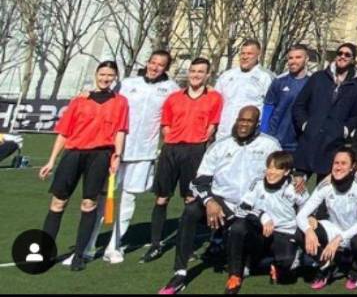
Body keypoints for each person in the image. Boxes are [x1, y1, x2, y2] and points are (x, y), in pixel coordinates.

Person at [158, 105, 282, 295]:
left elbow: (280, 174)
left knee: (239, 229)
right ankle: (180, 273)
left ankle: (235, 275)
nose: (243, 125)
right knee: (190, 211)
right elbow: (199, 180)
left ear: (257, 124)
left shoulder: (270, 145)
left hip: (252, 207)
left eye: (249, 121)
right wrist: (210, 201)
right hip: (220, 201)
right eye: (241, 120)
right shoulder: (220, 145)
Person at [39, 61, 130, 271]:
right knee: (57, 203)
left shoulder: (120, 102)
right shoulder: (79, 100)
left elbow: (120, 131)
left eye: (110, 75)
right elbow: (64, 132)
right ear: (96, 75)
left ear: (115, 78)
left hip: (100, 156)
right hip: (73, 154)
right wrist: (52, 160)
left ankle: (79, 255)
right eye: (102, 74)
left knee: (89, 204)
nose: (105, 78)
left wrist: (117, 155)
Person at [87, 50, 176, 264]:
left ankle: (114, 245)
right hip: (116, 150)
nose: (155, 67)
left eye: (160, 65)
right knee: (103, 197)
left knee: (128, 199)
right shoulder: (127, 84)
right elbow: (105, 100)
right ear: (147, 62)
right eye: (152, 62)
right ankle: (88, 244)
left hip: (144, 153)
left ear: (166, 68)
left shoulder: (171, 89)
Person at [143, 58, 223, 264]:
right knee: (162, 198)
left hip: (195, 151)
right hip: (171, 150)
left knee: (190, 199)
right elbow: (166, 124)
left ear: (208, 75)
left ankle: (185, 246)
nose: (196, 75)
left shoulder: (215, 98)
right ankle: (155, 244)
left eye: (201, 71)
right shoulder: (173, 98)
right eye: (193, 71)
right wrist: (172, 140)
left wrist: (199, 142)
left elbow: (212, 126)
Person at [225, 151, 308, 294]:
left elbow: (308, 211)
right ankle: (235, 275)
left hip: (284, 233)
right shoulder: (258, 182)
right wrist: (262, 216)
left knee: (287, 268)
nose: (271, 172)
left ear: (286, 171)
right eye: (269, 167)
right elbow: (241, 209)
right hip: (261, 231)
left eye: (277, 168)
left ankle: (268, 262)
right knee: (238, 227)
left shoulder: (295, 187)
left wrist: (302, 234)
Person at [295, 148, 357, 290]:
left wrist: (339, 239)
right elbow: (301, 215)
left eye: (344, 163)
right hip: (334, 228)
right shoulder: (325, 184)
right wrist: (308, 231)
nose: (338, 167)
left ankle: (356, 269)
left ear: (352, 167)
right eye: (336, 163)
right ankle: (325, 265)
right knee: (300, 233)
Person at [293, 43, 357, 180]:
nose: (342, 57)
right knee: (297, 187)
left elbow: (355, 115)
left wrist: (344, 130)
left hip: (333, 146)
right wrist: (305, 125)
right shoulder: (318, 78)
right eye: (340, 53)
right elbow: (299, 105)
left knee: (326, 190)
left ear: (353, 60)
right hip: (309, 141)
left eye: (347, 55)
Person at [214, 40, 274, 138]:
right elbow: (216, 103)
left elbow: (270, 108)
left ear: (258, 54)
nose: (245, 57)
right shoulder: (226, 76)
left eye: (249, 54)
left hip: (250, 135)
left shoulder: (266, 77)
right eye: (242, 53)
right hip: (223, 133)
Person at [262, 44, 311, 152]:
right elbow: (268, 109)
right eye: (290, 58)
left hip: (298, 143)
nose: (293, 61)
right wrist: (264, 134)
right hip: (275, 140)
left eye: (298, 57)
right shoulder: (279, 81)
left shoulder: (312, 82)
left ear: (306, 59)